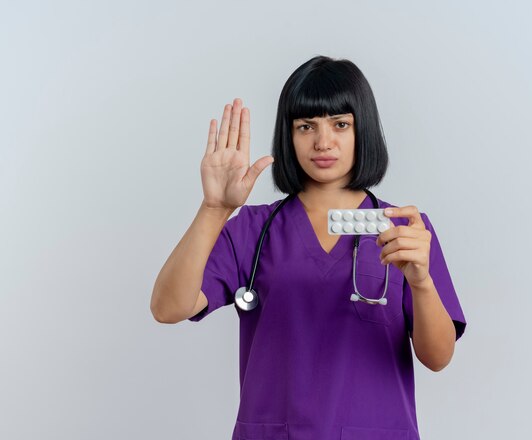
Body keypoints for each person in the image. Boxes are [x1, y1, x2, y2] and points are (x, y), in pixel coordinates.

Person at [150, 55, 467, 440]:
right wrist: (214, 209)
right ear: (289, 135)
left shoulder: (404, 230)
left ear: (361, 129)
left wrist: (421, 282)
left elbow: (438, 358)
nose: (323, 141)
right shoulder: (252, 229)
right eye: (306, 126)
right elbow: (168, 308)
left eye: (340, 124)